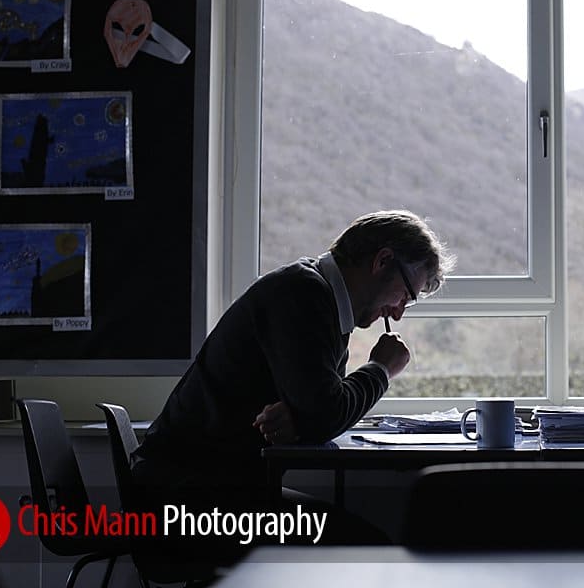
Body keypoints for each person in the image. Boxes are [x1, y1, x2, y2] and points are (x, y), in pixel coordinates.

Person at [130, 209, 455, 565]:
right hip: (187, 503)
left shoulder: (323, 300)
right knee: (368, 552)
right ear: (383, 260)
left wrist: (304, 415)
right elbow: (327, 411)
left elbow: (319, 408)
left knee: (363, 545)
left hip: (208, 489)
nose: (397, 313)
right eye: (405, 295)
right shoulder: (303, 295)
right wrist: (380, 369)